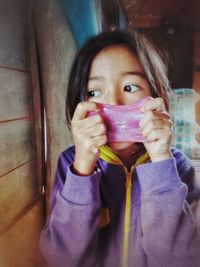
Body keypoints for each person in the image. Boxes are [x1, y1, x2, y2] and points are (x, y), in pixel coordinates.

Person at [39, 28, 200, 267]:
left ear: (156, 95)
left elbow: (184, 259)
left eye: (130, 87)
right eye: (94, 92)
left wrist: (161, 163)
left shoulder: (177, 167)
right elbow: (61, 258)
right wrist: (83, 170)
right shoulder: (70, 165)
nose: (113, 103)